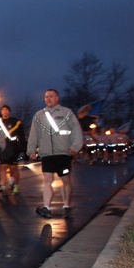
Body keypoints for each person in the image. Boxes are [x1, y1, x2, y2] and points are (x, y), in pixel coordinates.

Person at [27, 89, 83, 218]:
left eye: (51, 96)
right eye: (46, 97)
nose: (48, 99)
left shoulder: (66, 113)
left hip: (63, 153)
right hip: (47, 154)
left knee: (65, 180)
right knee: (47, 179)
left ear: (57, 98)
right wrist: (31, 150)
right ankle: (47, 207)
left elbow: (76, 130)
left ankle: (66, 205)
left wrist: (75, 147)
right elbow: (33, 134)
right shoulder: (39, 115)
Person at [0, 104, 25, 193]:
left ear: (9, 111)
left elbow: (21, 135)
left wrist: (21, 149)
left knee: (13, 168)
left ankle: (16, 185)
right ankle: (3, 186)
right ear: (1, 112)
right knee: (3, 167)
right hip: (2, 148)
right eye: (3, 110)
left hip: (13, 148)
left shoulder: (16, 122)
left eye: (6, 110)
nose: (4, 111)